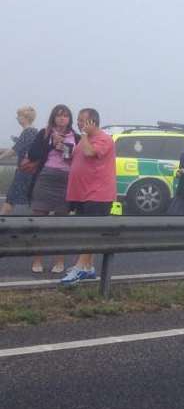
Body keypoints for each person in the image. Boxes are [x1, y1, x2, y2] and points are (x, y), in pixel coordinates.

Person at [61, 108, 117, 285]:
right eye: (78, 120)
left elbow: (89, 153)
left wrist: (84, 135)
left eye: (82, 120)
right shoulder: (84, 140)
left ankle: (79, 268)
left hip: (97, 194)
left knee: (90, 233)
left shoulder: (103, 139)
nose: (78, 123)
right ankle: (88, 267)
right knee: (84, 231)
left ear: (93, 122)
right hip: (81, 193)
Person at [26, 104, 79, 274]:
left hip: (65, 181)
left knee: (61, 225)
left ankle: (59, 261)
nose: (61, 118)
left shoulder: (76, 137)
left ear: (70, 119)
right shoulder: (45, 132)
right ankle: (37, 260)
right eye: (58, 115)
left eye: (65, 116)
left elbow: (80, 159)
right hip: (45, 178)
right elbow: (33, 154)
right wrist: (50, 142)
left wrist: (65, 147)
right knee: (39, 223)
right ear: (53, 118)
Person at [1, 106, 39, 215]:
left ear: (25, 117)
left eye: (19, 116)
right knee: (24, 199)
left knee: (11, 198)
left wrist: (1, 157)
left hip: (24, 172)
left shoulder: (29, 131)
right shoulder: (32, 131)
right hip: (28, 171)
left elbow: (14, 150)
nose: (17, 118)